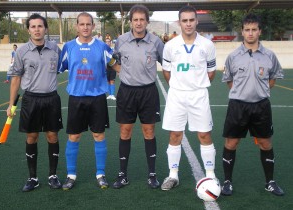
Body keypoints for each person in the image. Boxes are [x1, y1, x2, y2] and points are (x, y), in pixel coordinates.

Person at [221, 13, 284, 196]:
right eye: (247, 30)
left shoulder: (269, 56)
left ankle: (270, 182)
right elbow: (229, 81)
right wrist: (242, 92)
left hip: (261, 106)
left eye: (254, 30)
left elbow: (272, 79)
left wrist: (258, 91)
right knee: (231, 143)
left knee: (265, 143)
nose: (250, 33)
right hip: (238, 106)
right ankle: (227, 182)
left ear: (260, 31)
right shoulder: (233, 57)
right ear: (242, 31)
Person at [161, 5, 217, 191]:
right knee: (175, 134)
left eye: (191, 20)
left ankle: (211, 176)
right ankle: (173, 175)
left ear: (196, 21)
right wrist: (180, 86)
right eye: (184, 20)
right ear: (179, 22)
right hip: (177, 95)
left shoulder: (207, 45)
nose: (188, 23)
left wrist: (194, 85)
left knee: (204, 134)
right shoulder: (170, 46)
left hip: (199, 95)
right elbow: (167, 72)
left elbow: (211, 72)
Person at [58, 12, 117, 190]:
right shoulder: (68, 47)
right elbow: (59, 68)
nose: (85, 27)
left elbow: (116, 65)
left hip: (97, 97)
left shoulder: (102, 47)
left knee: (98, 135)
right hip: (76, 97)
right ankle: (71, 175)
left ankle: (100, 174)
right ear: (77, 26)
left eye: (88, 24)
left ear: (93, 26)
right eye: (81, 24)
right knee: (74, 136)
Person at [6, 13, 63, 192]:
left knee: (52, 136)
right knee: (32, 137)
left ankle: (53, 176)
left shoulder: (55, 49)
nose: (37, 29)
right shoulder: (22, 51)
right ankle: (33, 178)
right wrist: (10, 104)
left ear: (46, 29)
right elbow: (15, 79)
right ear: (28, 30)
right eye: (33, 27)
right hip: (31, 99)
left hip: (51, 98)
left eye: (40, 26)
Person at [112, 4, 164, 189]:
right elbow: (113, 61)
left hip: (148, 92)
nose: (139, 23)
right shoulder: (121, 40)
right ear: (131, 21)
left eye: (142, 19)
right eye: (136, 19)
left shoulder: (156, 42)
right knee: (125, 131)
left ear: (147, 22)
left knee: (149, 131)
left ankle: (152, 174)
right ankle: (122, 174)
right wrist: (122, 71)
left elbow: (167, 63)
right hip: (126, 92)